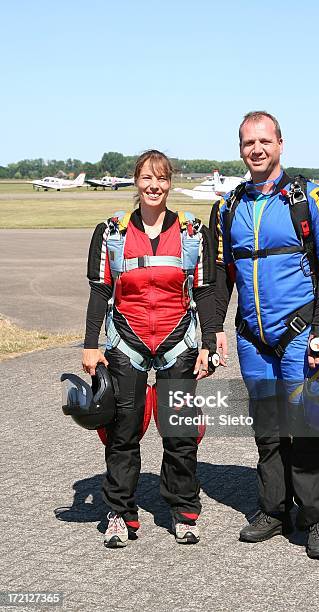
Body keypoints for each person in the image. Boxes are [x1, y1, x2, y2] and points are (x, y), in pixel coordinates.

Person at [210, 112, 319, 559]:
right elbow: (219, 274)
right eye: (249, 142)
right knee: (267, 429)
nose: (257, 149)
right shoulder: (227, 207)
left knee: (305, 426)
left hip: (299, 333)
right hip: (252, 338)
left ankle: (317, 518)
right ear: (241, 148)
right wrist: (215, 329)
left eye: (265, 141)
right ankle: (273, 509)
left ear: (281, 144)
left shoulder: (311, 198)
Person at [83, 150, 217, 548]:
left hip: (179, 343)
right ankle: (120, 514)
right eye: (146, 178)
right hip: (127, 342)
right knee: (123, 433)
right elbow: (99, 291)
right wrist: (92, 344)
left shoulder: (193, 231)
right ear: (136, 181)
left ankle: (184, 511)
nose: (154, 186)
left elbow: (206, 292)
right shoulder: (111, 232)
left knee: (179, 433)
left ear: (170, 182)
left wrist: (208, 343)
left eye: (161, 178)